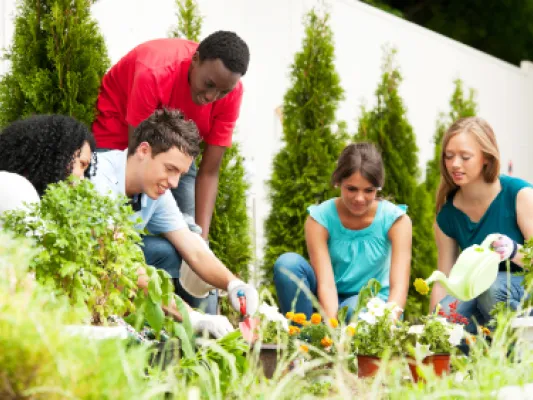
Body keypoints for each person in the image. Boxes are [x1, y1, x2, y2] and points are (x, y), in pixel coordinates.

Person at [90, 108, 258, 335]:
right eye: (170, 169)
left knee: (173, 250)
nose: (175, 182)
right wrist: (193, 317)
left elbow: (193, 250)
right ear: (143, 150)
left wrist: (232, 284)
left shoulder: (155, 191)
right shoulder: (101, 179)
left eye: (180, 173)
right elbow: (119, 262)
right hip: (86, 272)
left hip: (112, 270)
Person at [92, 31, 249, 242]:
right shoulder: (154, 73)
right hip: (121, 132)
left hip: (174, 143)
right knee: (115, 227)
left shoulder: (232, 93)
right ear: (196, 60)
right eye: (209, 84)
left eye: (223, 91)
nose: (212, 97)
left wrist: (200, 239)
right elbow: (137, 156)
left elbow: (210, 172)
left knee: (189, 231)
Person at [273, 143, 412, 322]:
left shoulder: (396, 220)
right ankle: (303, 339)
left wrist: (389, 323)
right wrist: (333, 330)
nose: (359, 198)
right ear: (338, 182)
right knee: (287, 264)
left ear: (378, 188)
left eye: (369, 190)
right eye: (351, 189)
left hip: (376, 306)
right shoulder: (320, 218)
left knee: (353, 310)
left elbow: (399, 287)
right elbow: (326, 284)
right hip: (330, 299)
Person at [429, 117, 533, 332]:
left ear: (486, 157)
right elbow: (445, 280)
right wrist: (433, 325)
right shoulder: (447, 215)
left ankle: (515, 356)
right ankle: (473, 359)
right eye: (449, 157)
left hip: (522, 290)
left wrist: (514, 251)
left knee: (493, 289)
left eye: (465, 157)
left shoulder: (519, 195)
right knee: (447, 315)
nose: (455, 164)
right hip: (481, 293)